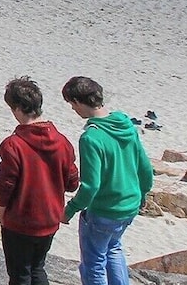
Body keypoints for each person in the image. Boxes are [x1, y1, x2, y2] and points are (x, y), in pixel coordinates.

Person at [61, 77, 153, 285]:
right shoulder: (126, 125)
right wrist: (143, 193)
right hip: (129, 205)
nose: (73, 109)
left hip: (104, 210)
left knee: (94, 264)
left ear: (78, 101)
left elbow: (90, 185)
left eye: (72, 104)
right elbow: (146, 169)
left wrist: (70, 209)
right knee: (114, 249)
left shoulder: (91, 138)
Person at [0, 77, 78, 285]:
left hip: (21, 220)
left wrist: (1, 213)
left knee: (20, 273)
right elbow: (72, 182)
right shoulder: (62, 141)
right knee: (37, 268)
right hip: (49, 219)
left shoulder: (13, 145)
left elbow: (5, 187)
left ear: (18, 108)